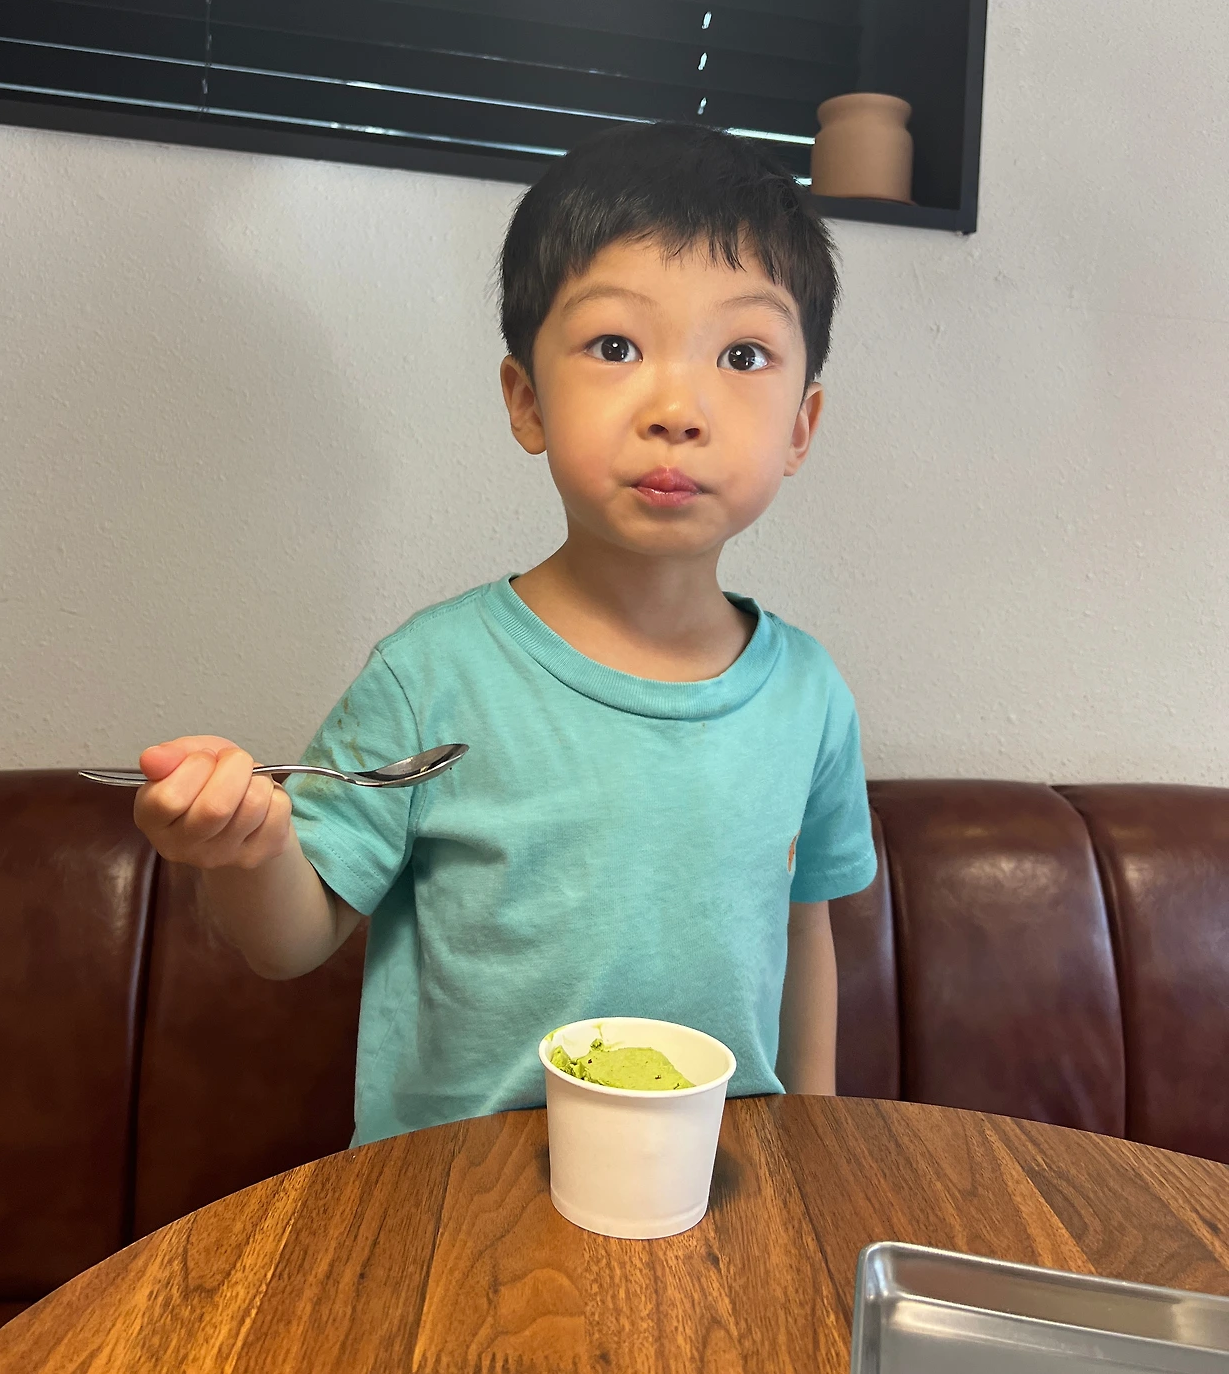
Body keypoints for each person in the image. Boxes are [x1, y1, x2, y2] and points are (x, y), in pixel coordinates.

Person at [133, 122, 877, 1145]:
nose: (678, 408)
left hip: (717, 1187)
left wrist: (815, 1145)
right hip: (459, 1197)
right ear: (526, 400)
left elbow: (804, 933)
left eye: (742, 354)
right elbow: (290, 940)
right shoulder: (431, 674)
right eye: (615, 346)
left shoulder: (809, 694)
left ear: (800, 425)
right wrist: (249, 848)